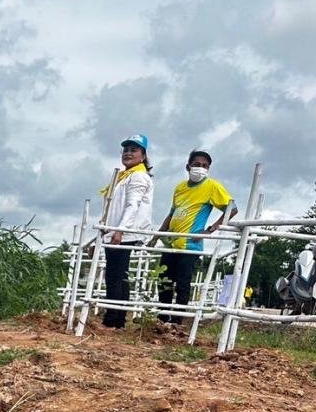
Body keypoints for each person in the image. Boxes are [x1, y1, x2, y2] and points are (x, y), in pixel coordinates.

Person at [155, 150, 236, 321]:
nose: (200, 168)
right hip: (171, 242)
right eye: (197, 165)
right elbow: (171, 213)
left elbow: (232, 208)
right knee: (164, 281)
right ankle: (162, 319)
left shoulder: (212, 186)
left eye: (205, 166)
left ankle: (177, 321)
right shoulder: (180, 188)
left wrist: (210, 229)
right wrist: (156, 237)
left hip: (190, 244)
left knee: (182, 283)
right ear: (188, 166)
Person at [100, 134, 155, 329]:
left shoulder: (139, 176)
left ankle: (114, 318)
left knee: (115, 275)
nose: (128, 153)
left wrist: (120, 231)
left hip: (125, 232)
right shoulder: (124, 177)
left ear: (143, 155)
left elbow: (133, 205)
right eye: (126, 150)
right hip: (116, 231)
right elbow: (112, 208)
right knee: (117, 274)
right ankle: (116, 318)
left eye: (134, 150)